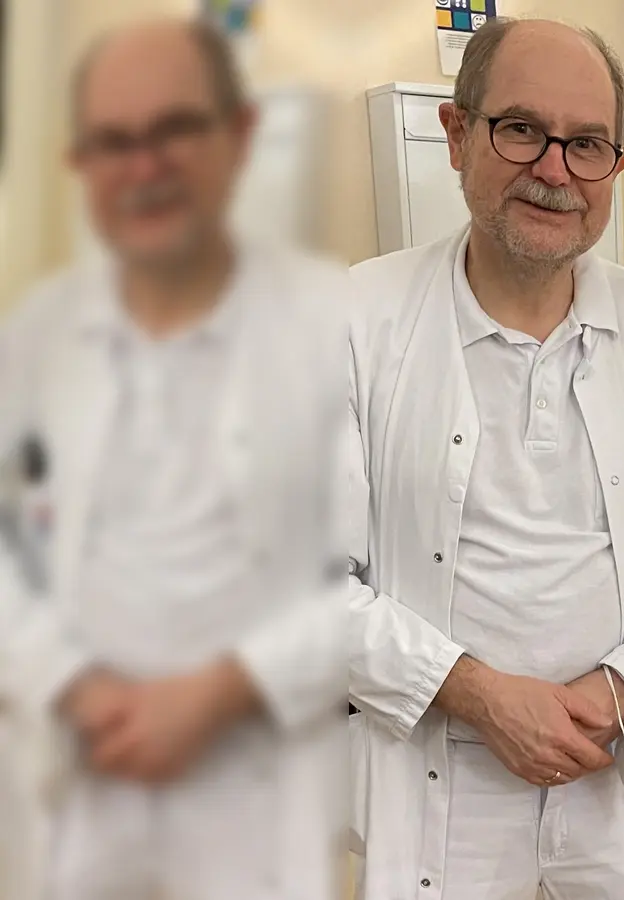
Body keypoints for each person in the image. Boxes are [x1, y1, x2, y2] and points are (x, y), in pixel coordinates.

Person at [344, 18, 624, 900]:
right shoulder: (354, 322)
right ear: (457, 136)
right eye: (521, 129)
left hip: (614, 767)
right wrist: (478, 695)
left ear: (617, 166)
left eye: (587, 145)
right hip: (443, 776)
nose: (554, 170)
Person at [0, 19, 347, 900]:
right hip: (80, 772)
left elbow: (379, 566)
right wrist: (70, 683)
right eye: (114, 142)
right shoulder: (37, 337)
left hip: (255, 790)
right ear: (81, 167)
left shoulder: (331, 327)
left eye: (175, 130)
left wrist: (218, 692)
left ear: (237, 137)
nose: (144, 166)